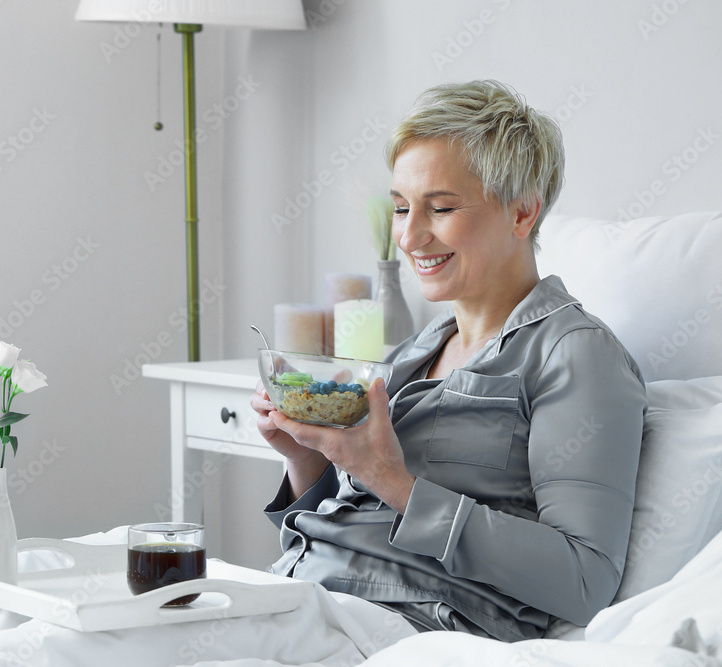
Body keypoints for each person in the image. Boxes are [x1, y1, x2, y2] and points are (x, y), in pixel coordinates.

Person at [250, 80, 647, 642]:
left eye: (441, 208)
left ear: (522, 213)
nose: (410, 236)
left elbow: (585, 580)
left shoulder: (574, 355)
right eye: (401, 208)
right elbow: (336, 526)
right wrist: (305, 461)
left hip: (406, 626)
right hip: (304, 595)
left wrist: (391, 478)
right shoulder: (413, 352)